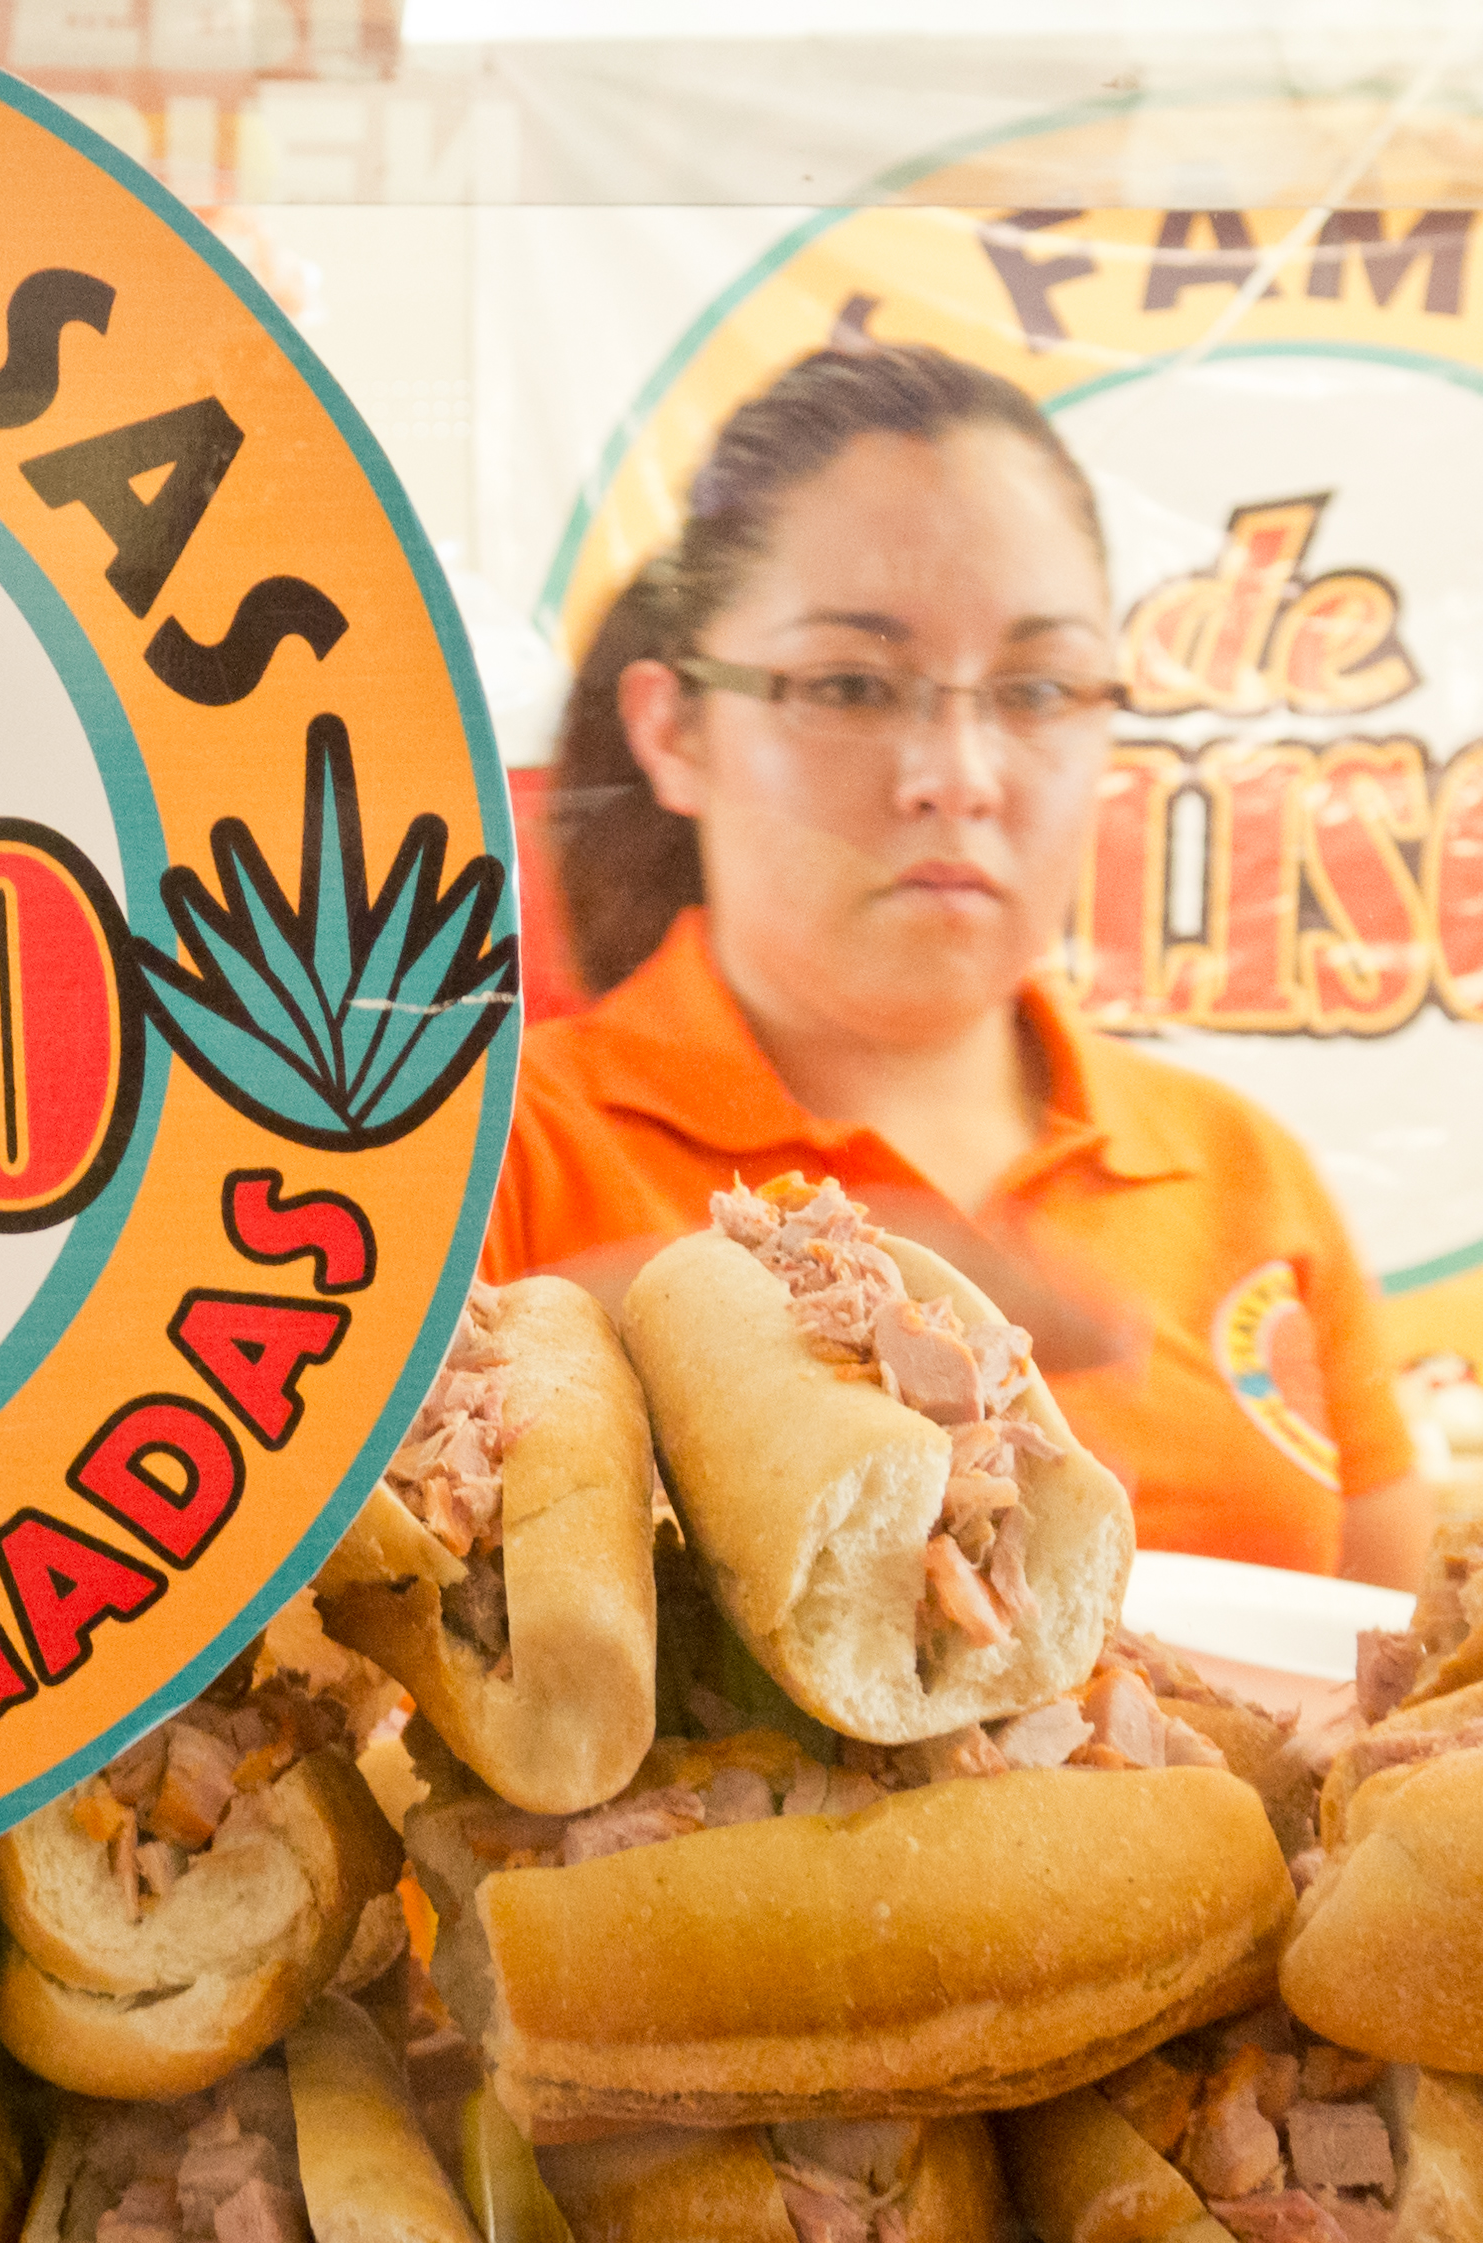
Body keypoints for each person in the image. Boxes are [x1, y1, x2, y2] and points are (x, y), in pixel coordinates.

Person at [490, 335, 1429, 1589]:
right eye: (849, 684)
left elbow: (1401, 1683)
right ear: (673, 731)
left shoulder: (1242, 1175)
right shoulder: (488, 1157)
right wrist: (792, 1294)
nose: (957, 775)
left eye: (1036, 690)